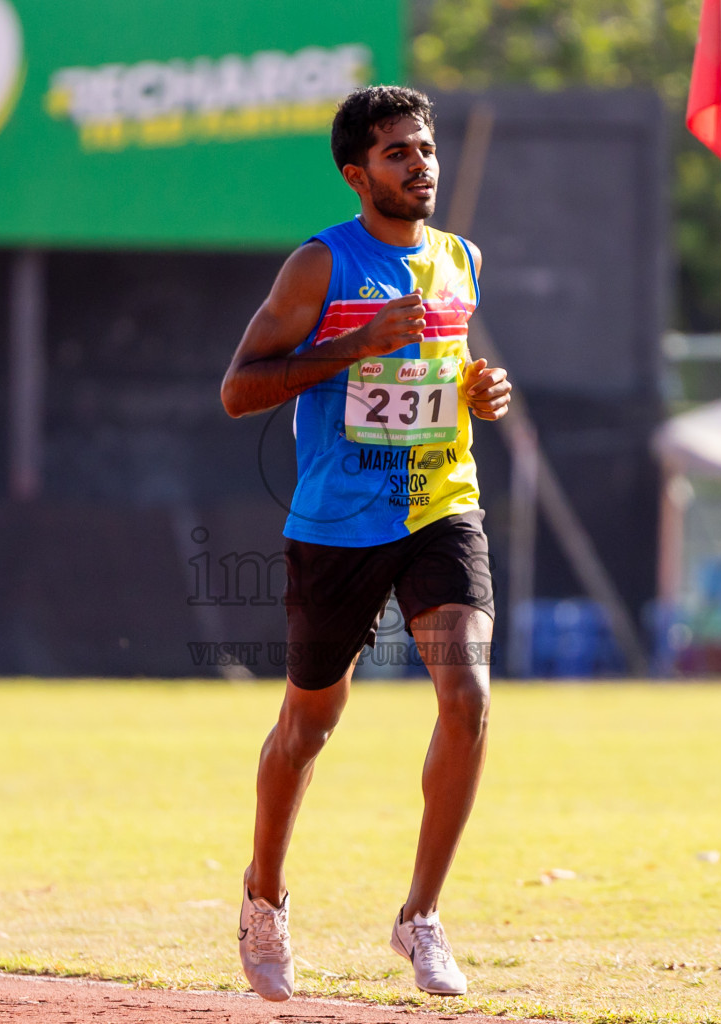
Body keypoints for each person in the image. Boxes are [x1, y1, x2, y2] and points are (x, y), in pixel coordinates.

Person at [219, 85, 513, 1002]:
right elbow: (239, 391)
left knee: (467, 696)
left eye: (424, 150)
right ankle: (263, 896)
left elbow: (445, 375)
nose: (419, 165)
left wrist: (480, 392)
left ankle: (421, 918)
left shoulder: (461, 259)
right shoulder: (320, 265)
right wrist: (350, 349)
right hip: (339, 524)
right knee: (310, 724)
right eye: (397, 154)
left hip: (439, 507)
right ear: (358, 173)